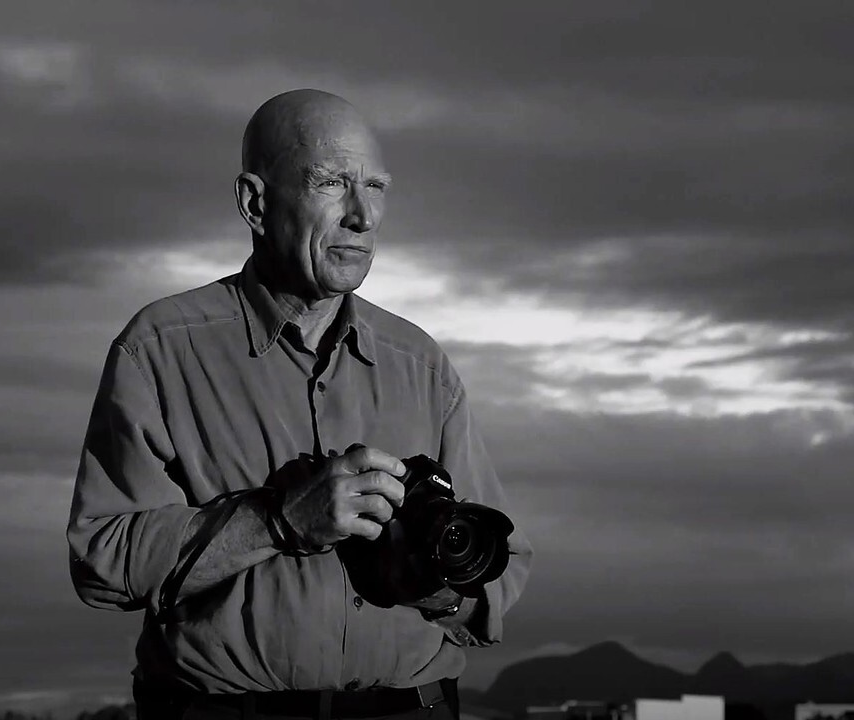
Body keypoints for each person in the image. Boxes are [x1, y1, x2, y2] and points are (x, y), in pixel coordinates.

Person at [67, 89, 533, 720]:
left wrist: (426, 584)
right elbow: (102, 560)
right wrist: (277, 521)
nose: (364, 216)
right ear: (255, 203)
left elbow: (501, 572)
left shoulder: (420, 363)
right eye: (331, 183)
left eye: (376, 185)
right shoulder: (159, 349)